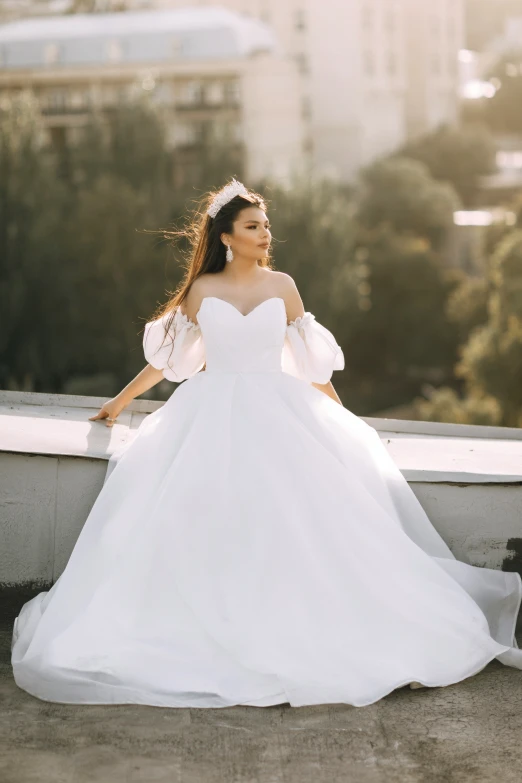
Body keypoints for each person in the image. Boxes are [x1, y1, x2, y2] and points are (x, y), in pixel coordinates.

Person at [11, 178, 522, 709]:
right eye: (253, 226)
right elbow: (164, 363)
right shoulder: (201, 292)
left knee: (304, 521)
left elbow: (311, 363)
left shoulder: (283, 286)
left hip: (279, 410)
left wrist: (343, 417)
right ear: (226, 236)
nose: (265, 233)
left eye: (266, 225)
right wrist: (118, 403)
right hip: (210, 415)